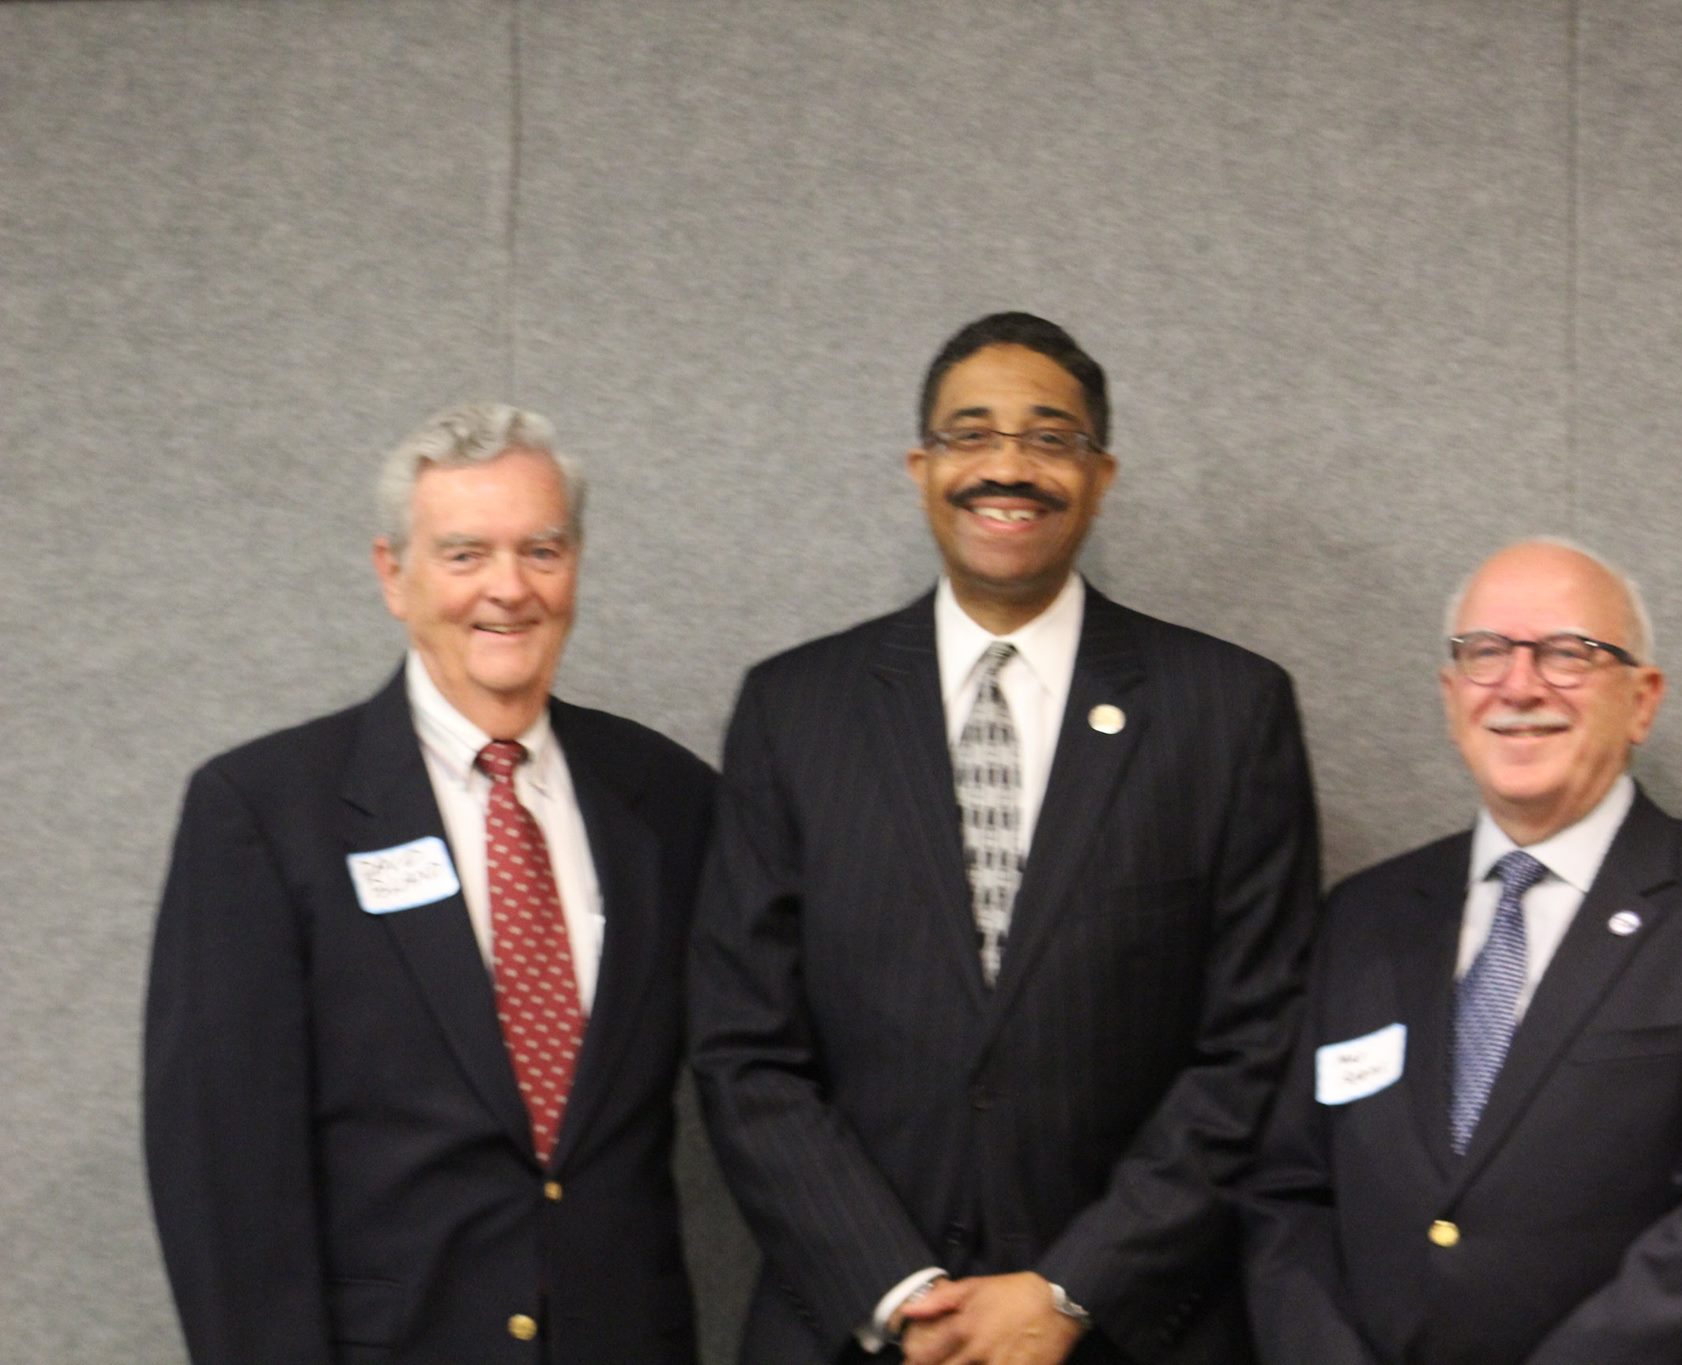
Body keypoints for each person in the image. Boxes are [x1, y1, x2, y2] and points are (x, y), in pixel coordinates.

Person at [690, 312, 1320, 1364]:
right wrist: (896, 1292)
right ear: (920, 465)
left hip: (1125, 1330)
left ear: (1102, 473)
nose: (1007, 467)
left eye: (1048, 437)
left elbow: (1257, 1044)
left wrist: (1075, 1288)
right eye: (970, 434)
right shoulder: (794, 709)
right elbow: (742, 1046)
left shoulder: (1226, 712)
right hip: (855, 1328)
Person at [144, 404, 716, 1363]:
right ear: (393, 575)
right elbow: (223, 1173)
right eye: (463, 555)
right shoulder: (264, 813)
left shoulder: (670, 799)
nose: (508, 588)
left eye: (541, 549)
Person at [1242, 538, 1682, 1364]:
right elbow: (1287, 1194)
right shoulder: (1365, 916)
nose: (1520, 684)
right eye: (1485, 653)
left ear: (1642, 699)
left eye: (1569, 653)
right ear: (1452, 696)